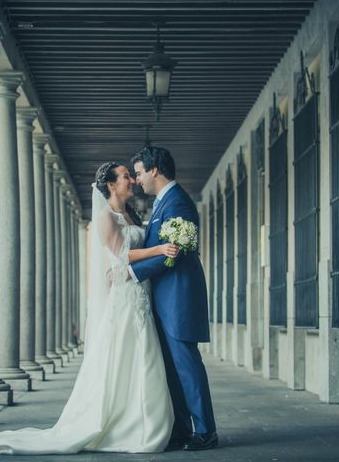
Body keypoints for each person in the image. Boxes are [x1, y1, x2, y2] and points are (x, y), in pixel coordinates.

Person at [0, 162, 178, 455]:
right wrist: (160, 249)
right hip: (125, 295)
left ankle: (142, 421)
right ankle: (125, 423)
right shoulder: (104, 216)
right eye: (125, 177)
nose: (131, 180)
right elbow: (121, 252)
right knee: (125, 354)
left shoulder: (131, 213)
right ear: (110, 185)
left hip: (140, 291)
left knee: (141, 355)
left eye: (131, 176)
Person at [129, 146, 218, 451]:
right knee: (171, 368)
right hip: (165, 298)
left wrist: (131, 270)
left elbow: (174, 253)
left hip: (178, 297)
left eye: (139, 172)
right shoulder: (162, 203)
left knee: (186, 365)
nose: (137, 179)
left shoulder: (178, 201)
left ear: (155, 169)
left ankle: (206, 431)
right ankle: (182, 429)